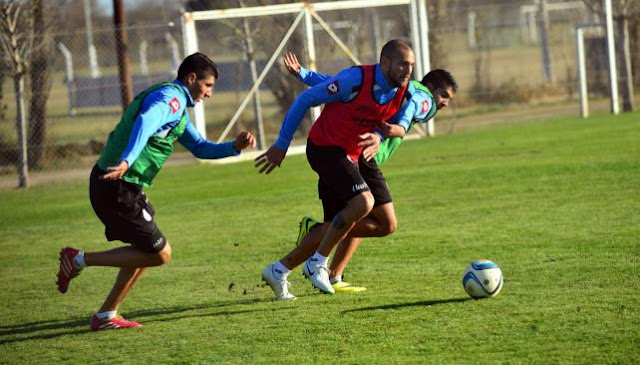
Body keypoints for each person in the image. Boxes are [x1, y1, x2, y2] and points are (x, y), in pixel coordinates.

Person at [56, 52, 256, 330]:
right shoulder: (171, 100)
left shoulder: (178, 111)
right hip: (116, 186)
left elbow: (200, 147)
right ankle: (78, 259)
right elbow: (146, 121)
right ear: (191, 78)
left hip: (124, 187)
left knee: (146, 250)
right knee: (160, 253)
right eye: (208, 86)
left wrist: (233, 146)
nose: (209, 94)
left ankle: (106, 316)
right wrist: (127, 159)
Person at [260, 52, 457, 299]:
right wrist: (390, 132)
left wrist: (304, 74)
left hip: (352, 153)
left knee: (347, 220)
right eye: (444, 96)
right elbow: (412, 109)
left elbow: (335, 83)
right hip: (359, 157)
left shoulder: (388, 86)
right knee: (383, 221)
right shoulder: (423, 97)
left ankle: (286, 269)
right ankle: (320, 253)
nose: (445, 103)